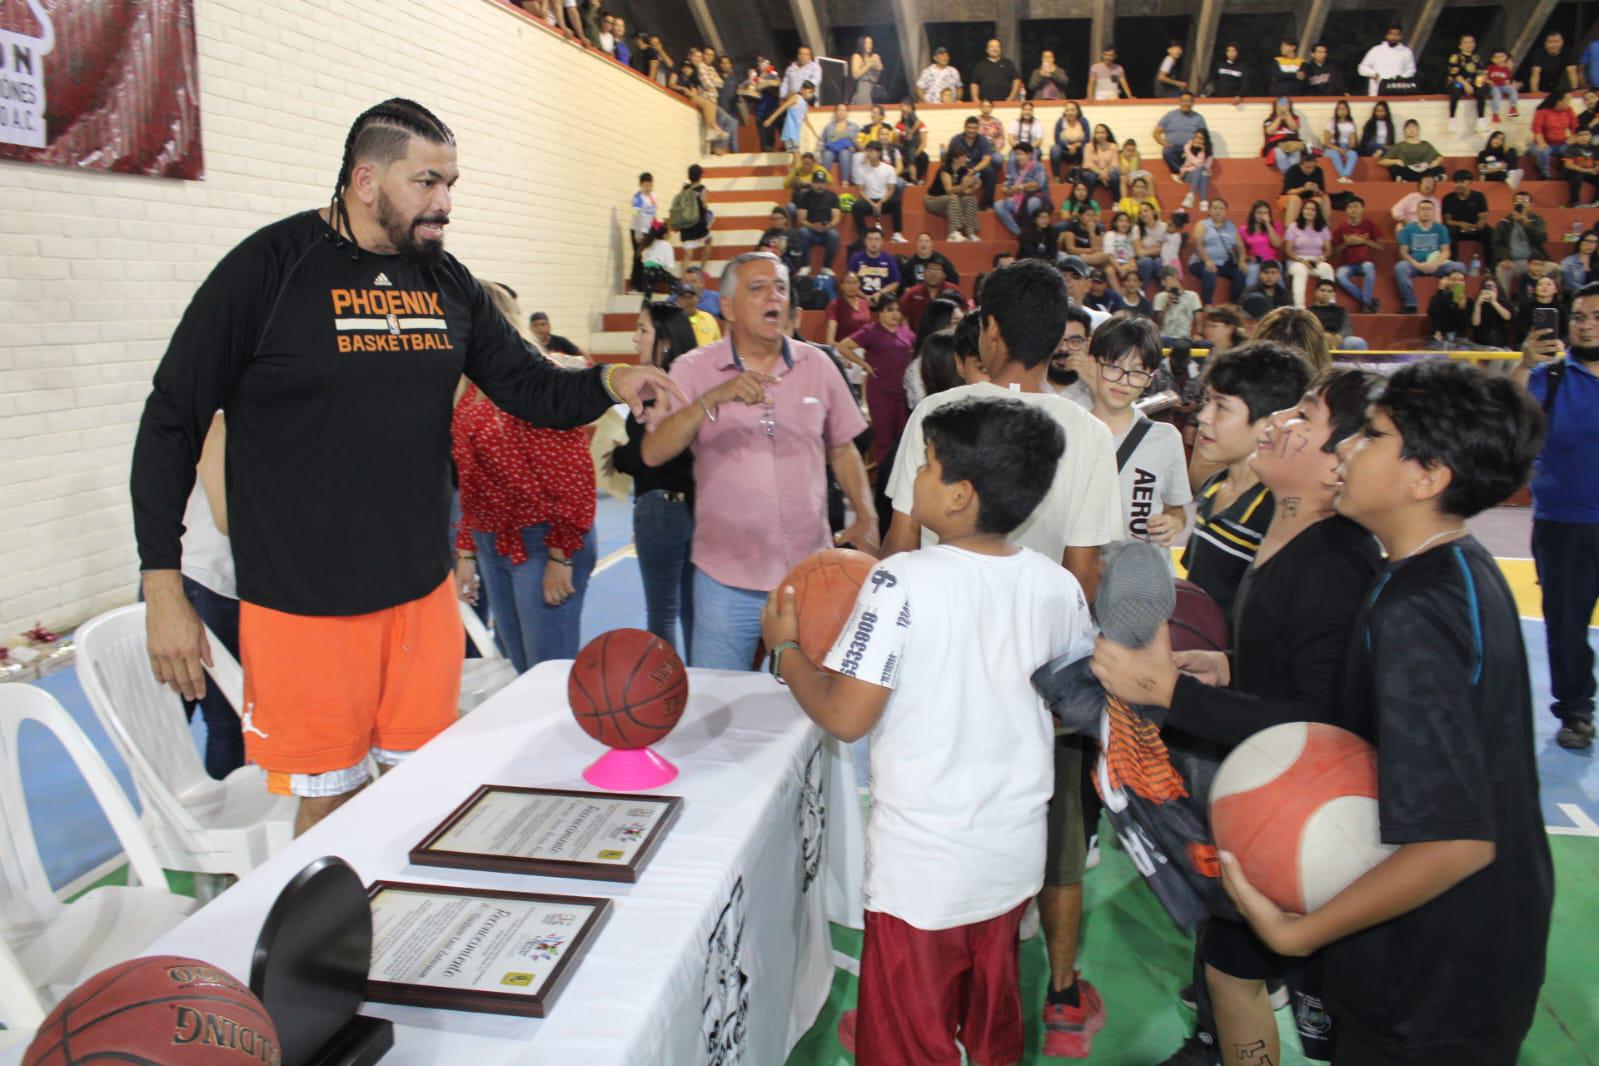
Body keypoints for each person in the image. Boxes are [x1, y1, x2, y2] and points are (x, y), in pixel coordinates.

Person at [130, 99, 680, 833]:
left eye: (450, 183)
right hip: (305, 602)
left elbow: (528, 386)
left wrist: (612, 381)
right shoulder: (268, 270)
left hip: (418, 593)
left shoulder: (445, 282)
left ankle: (396, 941)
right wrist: (161, 578)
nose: (444, 203)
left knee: (419, 792)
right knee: (330, 801)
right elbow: (171, 418)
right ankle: (328, 950)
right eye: (426, 183)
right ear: (365, 180)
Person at [1226, 360, 1551, 1065]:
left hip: (1429, 975)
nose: (1344, 447)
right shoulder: (1448, 570)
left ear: (1425, 478)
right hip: (1468, 952)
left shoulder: (1415, 610)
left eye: (1370, 436)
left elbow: (1456, 842)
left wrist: (1296, 936)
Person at [763, 391, 1091, 1066]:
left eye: (928, 465)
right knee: (991, 1028)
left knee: (907, 1045)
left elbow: (844, 718)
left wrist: (786, 651)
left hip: (923, 870)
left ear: (959, 496)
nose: (913, 477)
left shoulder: (900, 584)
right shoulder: (1057, 586)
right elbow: (1070, 703)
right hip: (1009, 856)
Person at [1099, 366, 1383, 1066]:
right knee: (1228, 964)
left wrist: (1173, 693)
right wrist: (1226, 668)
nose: (1280, 423)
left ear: (1339, 465)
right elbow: (1299, 668)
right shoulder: (1284, 535)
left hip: (1303, 809)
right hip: (1270, 792)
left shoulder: (1330, 564)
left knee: (1243, 970)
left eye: (1304, 418)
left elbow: (1321, 719)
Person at [881, 261, 1122, 1059]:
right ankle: (1055, 991)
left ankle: (925, 1007)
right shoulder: (1088, 434)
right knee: (1050, 843)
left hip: (937, 676)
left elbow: (898, 544)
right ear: (1060, 341)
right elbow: (1085, 575)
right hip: (1039, 680)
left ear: (985, 331)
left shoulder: (940, 412)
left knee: (928, 830)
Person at [641, 252, 875, 671]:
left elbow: (842, 447)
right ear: (727, 306)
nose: (775, 296)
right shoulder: (693, 369)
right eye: (759, 288)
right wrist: (713, 399)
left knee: (812, 713)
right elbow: (654, 450)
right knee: (723, 710)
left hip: (810, 574)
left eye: (781, 287)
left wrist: (867, 513)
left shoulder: (817, 364)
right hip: (725, 581)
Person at [455, 281, 598, 675]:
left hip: (543, 539)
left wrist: (560, 555)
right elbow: (471, 478)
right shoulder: (470, 390)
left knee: (546, 672)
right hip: (494, 541)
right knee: (520, 668)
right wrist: (467, 551)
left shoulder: (534, 380)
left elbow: (573, 476)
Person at [1516, 281, 1599, 748]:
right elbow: (1505, 420)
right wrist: (1524, 364)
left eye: (1596, 316)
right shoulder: (1548, 378)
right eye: (1580, 317)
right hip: (1563, 524)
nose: (1586, 325)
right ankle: (1575, 711)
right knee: (1566, 625)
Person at [1182, 344, 1312, 622]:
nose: (1204, 417)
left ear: (1270, 423)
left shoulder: (1274, 513)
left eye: (1221, 407)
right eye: (1207, 402)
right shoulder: (1214, 485)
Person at [609, 302, 698, 653]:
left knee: (662, 614)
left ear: (664, 340)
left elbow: (644, 456)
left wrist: (617, 454)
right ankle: (702, 683)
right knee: (695, 612)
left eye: (642, 330)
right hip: (699, 507)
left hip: (660, 508)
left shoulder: (653, 391)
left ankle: (667, 694)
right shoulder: (695, 385)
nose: (634, 338)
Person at [175, 413, 245, 780]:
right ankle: (216, 816)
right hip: (203, 581)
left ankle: (170, 814)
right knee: (223, 718)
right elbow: (226, 516)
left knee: (192, 711)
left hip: (212, 578)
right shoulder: (219, 421)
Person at [1086, 313, 1192, 545]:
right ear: (1093, 363)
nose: (1124, 380)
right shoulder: (1070, 433)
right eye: (1114, 367)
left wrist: (1173, 523)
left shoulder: (1165, 438)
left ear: (1149, 379)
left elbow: (1177, 510)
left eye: (1137, 372)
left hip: (1140, 574)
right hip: (1083, 573)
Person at [838, 293, 917, 468]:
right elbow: (843, 346)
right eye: (890, 310)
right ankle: (884, 483)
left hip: (902, 392)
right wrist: (864, 364)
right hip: (880, 392)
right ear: (880, 313)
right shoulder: (871, 331)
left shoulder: (906, 332)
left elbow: (915, 353)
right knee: (884, 439)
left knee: (903, 436)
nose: (895, 314)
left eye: (897, 310)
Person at [1395, 200, 1466, 314]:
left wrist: (1435, 264)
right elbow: (1403, 252)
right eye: (1422, 209)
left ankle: (1457, 298)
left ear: (1434, 213)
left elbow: (1446, 251)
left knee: (1460, 267)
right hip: (1416, 264)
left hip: (1436, 264)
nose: (1425, 211)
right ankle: (1410, 303)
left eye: (1429, 209)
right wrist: (1417, 264)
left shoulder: (1441, 228)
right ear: (1417, 212)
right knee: (1400, 267)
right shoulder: (1408, 229)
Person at [1493, 190, 1554, 298]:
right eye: (1518, 201)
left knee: (1556, 269)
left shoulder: (1537, 220)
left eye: (1525, 201)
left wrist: (1525, 222)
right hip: (1513, 262)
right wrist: (1504, 257)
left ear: (1531, 205)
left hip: (1535, 261)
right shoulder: (1504, 223)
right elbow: (1497, 243)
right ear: (1513, 204)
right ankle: (1506, 304)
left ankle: (1553, 300)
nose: (1521, 204)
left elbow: (1541, 239)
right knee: (1501, 270)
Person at [1189, 198, 1245, 305]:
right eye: (1214, 208)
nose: (1217, 211)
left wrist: (1242, 260)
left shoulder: (1231, 226)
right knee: (1210, 271)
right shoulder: (1202, 224)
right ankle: (1208, 304)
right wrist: (1207, 260)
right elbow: (1198, 244)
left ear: (1226, 211)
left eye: (1221, 208)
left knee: (1240, 272)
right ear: (1209, 211)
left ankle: (1234, 304)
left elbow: (1240, 246)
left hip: (1224, 263)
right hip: (1200, 262)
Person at [1332, 196, 1382, 314]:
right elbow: (1335, 251)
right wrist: (1346, 243)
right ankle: (1368, 302)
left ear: (1362, 209)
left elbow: (1381, 247)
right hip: (1348, 265)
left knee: (1369, 267)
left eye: (1356, 207)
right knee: (1340, 276)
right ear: (1346, 211)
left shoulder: (1369, 224)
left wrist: (1364, 241)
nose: (1353, 210)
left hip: (1364, 263)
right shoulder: (1341, 227)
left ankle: (1366, 303)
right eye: (1350, 207)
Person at [1282, 200, 1335, 308]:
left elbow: (1328, 249)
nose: (1309, 212)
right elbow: (1288, 250)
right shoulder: (1294, 226)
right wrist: (1301, 260)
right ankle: (1299, 307)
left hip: (1316, 260)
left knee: (1328, 268)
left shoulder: (1323, 227)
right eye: (1306, 209)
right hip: (1296, 260)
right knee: (1301, 270)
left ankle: (1330, 304)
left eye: (1313, 209)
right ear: (1302, 211)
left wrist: (1320, 258)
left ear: (1317, 212)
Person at [850, 145, 906, 243]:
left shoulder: (889, 169)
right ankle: (863, 235)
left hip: (884, 200)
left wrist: (880, 203)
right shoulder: (861, 169)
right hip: (869, 200)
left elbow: (891, 190)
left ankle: (897, 234)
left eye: (871, 151)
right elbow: (861, 191)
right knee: (856, 206)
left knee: (896, 202)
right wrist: (873, 204)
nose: (868, 154)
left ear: (879, 153)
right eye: (867, 151)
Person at [995, 142, 1051, 238]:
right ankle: (1020, 234)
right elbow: (1008, 183)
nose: (1017, 157)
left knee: (1032, 202)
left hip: (1037, 197)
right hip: (1018, 199)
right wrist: (1006, 189)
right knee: (998, 205)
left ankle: (1032, 231)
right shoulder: (1013, 167)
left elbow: (1038, 184)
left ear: (1029, 155)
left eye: (1020, 154)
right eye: (1016, 154)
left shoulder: (1038, 166)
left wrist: (1020, 187)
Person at [794, 170, 842, 276]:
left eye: (822, 183)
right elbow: (801, 219)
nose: (819, 185)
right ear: (812, 183)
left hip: (827, 230)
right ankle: (805, 265)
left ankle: (826, 267)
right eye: (817, 182)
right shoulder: (805, 196)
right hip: (810, 231)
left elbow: (836, 217)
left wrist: (829, 225)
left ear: (825, 183)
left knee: (834, 234)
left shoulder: (832, 196)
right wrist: (812, 226)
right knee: (802, 231)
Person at [927, 147, 982, 242]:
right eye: (963, 157)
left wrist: (975, 187)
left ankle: (970, 233)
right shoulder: (945, 170)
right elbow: (949, 190)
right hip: (934, 200)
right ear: (955, 159)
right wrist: (964, 185)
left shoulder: (963, 170)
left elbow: (965, 192)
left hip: (952, 201)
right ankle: (953, 233)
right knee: (953, 197)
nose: (966, 159)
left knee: (970, 199)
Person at [900, 259, 968, 331]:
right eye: (930, 270)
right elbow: (902, 316)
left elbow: (965, 311)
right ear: (923, 273)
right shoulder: (913, 293)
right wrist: (909, 336)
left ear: (944, 275)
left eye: (937, 271)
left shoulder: (954, 290)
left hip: (948, 337)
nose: (933, 274)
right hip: (919, 338)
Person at [1154, 92, 1208, 175]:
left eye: (1188, 101)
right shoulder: (1170, 115)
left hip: (1192, 148)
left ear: (1193, 103)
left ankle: (1185, 173)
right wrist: (1164, 143)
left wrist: (1197, 145)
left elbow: (1204, 135)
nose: (1185, 103)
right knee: (1167, 152)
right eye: (1183, 101)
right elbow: (1156, 133)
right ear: (1179, 102)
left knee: (1201, 154)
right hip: (1174, 148)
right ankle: (1182, 173)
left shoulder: (1198, 118)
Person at [1357, 24, 1416, 96]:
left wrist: (1401, 79)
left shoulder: (1406, 52)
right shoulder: (1376, 50)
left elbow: (1411, 70)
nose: (1394, 37)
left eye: (1397, 35)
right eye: (1391, 34)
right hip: (1376, 91)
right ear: (1387, 35)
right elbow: (1362, 68)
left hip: (1397, 90)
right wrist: (1374, 74)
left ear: (1401, 37)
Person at [1378, 119, 1445, 183]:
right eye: (1408, 127)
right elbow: (1382, 161)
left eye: (1414, 127)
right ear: (1404, 131)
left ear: (1418, 130)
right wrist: (1396, 161)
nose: (1411, 129)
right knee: (1394, 168)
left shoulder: (1426, 144)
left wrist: (1434, 163)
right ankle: (1430, 179)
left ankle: (1415, 179)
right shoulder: (1399, 145)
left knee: (1440, 168)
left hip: (1424, 170)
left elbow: (1439, 157)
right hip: (1407, 170)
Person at [674, 163, 713, 272]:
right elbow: (705, 206)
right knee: (709, 240)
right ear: (700, 176)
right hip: (698, 224)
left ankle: (684, 279)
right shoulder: (702, 189)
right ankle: (702, 269)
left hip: (686, 225)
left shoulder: (684, 188)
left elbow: (679, 205)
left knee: (688, 254)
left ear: (689, 176)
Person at [1531, 90, 1579, 180]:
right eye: (1567, 100)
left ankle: (1564, 174)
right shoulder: (1542, 111)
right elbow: (1537, 129)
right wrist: (1541, 143)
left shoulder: (1569, 110)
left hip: (1561, 143)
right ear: (1559, 101)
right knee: (1543, 151)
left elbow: (1575, 126)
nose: (1569, 103)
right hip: (1544, 142)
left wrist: (1573, 137)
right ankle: (1545, 174)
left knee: (1571, 149)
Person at [1426, 267, 1477, 349]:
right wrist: (1440, 289)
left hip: (1459, 340)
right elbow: (1432, 313)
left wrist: (1461, 308)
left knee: (1464, 351)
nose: (1457, 282)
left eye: (1461, 280)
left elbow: (1468, 325)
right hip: (1441, 338)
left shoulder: (1469, 302)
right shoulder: (1440, 297)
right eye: (1453, 279)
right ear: (1447, 282)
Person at [1310, 278, 1367, 350]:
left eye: (1329, 291)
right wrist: (1322, 335)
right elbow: (1307, 330)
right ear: (1315, 292)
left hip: (1339, 340)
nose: (1325, 294)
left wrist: (1340, 336)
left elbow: (1347, 327)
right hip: (1318, 340)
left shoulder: (1341, 310)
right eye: (1322, 290)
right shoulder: (1308, 312)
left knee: (1359, 343)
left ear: (1333, 294)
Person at [766, 80, 818, 157]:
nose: (811, 95)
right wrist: (771, 119)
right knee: (797, 156)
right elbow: (782, 108)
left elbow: (806, 120)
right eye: (809, 92)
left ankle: (793, 169)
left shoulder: (805, 104)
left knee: (794, 158)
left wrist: (814, 133)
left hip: (796, 135)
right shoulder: (796, 98)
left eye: (812, 93)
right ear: (802, 90)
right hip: (790, 133)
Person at [848, 227, 902, 299]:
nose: (873, 242)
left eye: (877, 239)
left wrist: (880, 293)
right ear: (865, 241)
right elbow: (849, 282)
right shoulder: (856, 258)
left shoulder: (888, 259)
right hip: (860, 298)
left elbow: (895, 282)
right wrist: (864, 296)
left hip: (882, 298)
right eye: (870, 239)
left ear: (882, 241)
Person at [1241, 200, 1283, 291]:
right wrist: (1246, 258)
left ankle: (1282, 302)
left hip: (1271, 261)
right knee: (1252, 271)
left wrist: (1268, 225)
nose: (1263, 216)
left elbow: (1277, 244)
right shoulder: (1244, 230)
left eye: (1265, 213)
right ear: (1253, 214)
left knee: (1275, 272)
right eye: (1259, 213)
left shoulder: (1275, 226)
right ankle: (1250, 299)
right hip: (1255, 262)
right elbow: (1240, 250)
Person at [1516, 274, 1570, 345]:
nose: (1544, 287)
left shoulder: (1561, 309)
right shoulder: (1525, 307)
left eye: (1548, 285)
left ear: (1555, 289)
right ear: (1535, 290)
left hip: (1555, 345)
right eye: (1540, 285)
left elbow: (1566, 333)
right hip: (1530, 344)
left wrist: (1561, 342)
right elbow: (1520, 331)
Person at [1154, 265, 1202, 341]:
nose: (1162, 283)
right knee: (1166, 341)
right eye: (1161, 280)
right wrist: (1166, 306)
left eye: (1164, 279)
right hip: (1165, 336)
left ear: (1175, 276)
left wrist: (1199, 334)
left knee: (1184, 345)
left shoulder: (1193, 296)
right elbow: (1158, 324)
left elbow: (1199, 318)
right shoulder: (1160, 297)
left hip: (1184, 337)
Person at [1050, 100, 1092, 184]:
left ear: (1077, 111)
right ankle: (1057, 177)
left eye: (1072, 110)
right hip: (1065, 150)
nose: (1069, 112)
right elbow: (1057, 139)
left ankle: (1084, 175)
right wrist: (1067, 146)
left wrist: (1077, 145)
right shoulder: (1061, 121)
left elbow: (1087, 138)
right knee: (1054, 149)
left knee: (1087, 148)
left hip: (1079, 149)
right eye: (1067, 110)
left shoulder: (1083, 121)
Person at [826, 270, 874, 345]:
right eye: (848, 283)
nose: (852, 286)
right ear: (841, 286)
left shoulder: (864, 303)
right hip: (844, 349)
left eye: (855, 282)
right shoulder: (835, 304)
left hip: (865, 348)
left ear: (859, 285)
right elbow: (830, 341)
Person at [970, 37, 1022, 101]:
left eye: (997, 47)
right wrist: (976, 100)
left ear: (1001, 49)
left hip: (1005, 103)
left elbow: (1016, 80)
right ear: (987, 50)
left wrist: (1011, 97)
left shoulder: (1008, 63)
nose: (995, 49)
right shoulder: (980, 65)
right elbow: (974, 83)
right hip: (985, 105)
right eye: (992, 47)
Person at [819, 105, 859, 187]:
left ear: (847, 113)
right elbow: (822, 141)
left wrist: (854, 146)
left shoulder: (854, 126)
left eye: (844, 110)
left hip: (847, 151)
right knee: (827, 154)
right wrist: (817, 155)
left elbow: (858, 140)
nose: (841, 112)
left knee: (844, 152)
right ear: (835, 112)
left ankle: (845, 181)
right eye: (839, 110)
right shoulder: (829, 126)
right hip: (832, 150)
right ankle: (823, 180)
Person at [1261, 97, 1305, 172]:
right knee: (1280, 153)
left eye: (1286, 104)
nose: (1283, 106)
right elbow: (1269, 131)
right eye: (1280, 104)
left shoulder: (1294, 117)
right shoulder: (1269, 120)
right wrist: (1279, 117)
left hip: (1292, 144)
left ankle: (1289, 176)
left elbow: (1294, 128)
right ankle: (1289, 176)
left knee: (1296, 153)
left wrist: (1287, 114)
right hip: (1276, 145)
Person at [1530, 29, 1579, 94]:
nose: (1553, 45)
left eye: (1556, 42)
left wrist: (1574, 90)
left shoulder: (1568, 52)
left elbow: (1572, 72)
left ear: (1562, 42)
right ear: (1545, 43)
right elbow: (1535, 74)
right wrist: (1534, 92)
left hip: (1560, 85)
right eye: (1550, 42)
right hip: (1543, 84)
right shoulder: (1538, 53)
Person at [1323, 100, 1360, 183]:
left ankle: (1346, 175)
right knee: (1335, 154)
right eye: (1340, 109)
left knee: (1353, 154)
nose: (1342, 111)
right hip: (1332, 147)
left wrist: (1346, 149)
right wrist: (1337, 149)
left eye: (1344, 109)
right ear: (1336, 110)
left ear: (1348, 110)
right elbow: (1326, 142)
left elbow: (1352, 143)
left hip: (1345, 147)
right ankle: (1343, 176)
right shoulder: (1331, 123)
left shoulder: (1351, 124)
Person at [1472, 277, 1516, 349]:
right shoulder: (1477, 303)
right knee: (1498, 358)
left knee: (1514, 359)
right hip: (1482, 342)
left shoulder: (1503, 303)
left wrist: (1494, 302)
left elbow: (1508, 317)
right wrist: (1478, 305)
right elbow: (1475, 323)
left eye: (1492, 287)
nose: (1489, 290)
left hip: (1500, 342)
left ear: (1497, 289)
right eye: (1487, 287)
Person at [1563, 125, 1599, 207]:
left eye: (1586, 134)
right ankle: (1574, 202)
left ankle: (1596, 202)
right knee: (1578, 175)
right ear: (1576, 137)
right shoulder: (1571, 148)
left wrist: (1596, 168)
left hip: (1589, 172)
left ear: (1591, 136)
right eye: (1580, 135)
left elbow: (1597, 163)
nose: (1584, 137)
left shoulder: (1595, 149)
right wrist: (1588, 170)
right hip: (1574, 172)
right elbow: (1568, 165)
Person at [1178, 130, 1213, 211]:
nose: (1197, 140)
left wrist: (1203, 151)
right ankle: (1201, 200)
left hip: (1199, 174)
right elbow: (1197, 163)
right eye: (1196, 137)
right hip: (1187, 175)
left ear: (1205, 140)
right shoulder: (1188, 147)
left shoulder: (1208, 150)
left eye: (1201, 139)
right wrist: (1198, 166)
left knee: (1204, 173)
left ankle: (1198, 200)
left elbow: (1207, 166)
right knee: (1201, 169)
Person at [896, 103, 931, 183]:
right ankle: (907, 178)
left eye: (906, 111)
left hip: (915, 149)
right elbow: (897, 142)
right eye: (903, 112)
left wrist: (915, 154)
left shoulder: (918, 122)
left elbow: (923, 143)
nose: (905, 113)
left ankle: (916, 178)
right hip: (904, 149)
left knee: (923, 157)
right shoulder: (899, 124)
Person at [1483, 49, 1520, 124]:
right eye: (1496, 57)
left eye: (1501, 57)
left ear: (1505, 57)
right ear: (1492, 59)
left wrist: (1511, 85)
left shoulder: (1506, 69)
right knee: (1497, 95)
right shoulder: (1490, 67)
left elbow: (1507, 80)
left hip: (1503, 86)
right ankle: (1495, 114)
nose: (1499, 59)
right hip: (1493, 86)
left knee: (1513, 90)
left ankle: (1513, 107)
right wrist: (1488, 81)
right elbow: (1484, 77)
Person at [850, 36, 883, 105]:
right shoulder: (857, 56)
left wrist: (878, 63)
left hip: (873, 91)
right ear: (861, 44)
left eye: (871, 43)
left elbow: (879, 72)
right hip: (863, 90)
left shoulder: (873, 57)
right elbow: (855, 75)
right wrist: (869, 64)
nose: (869, 46)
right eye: (866, 43)